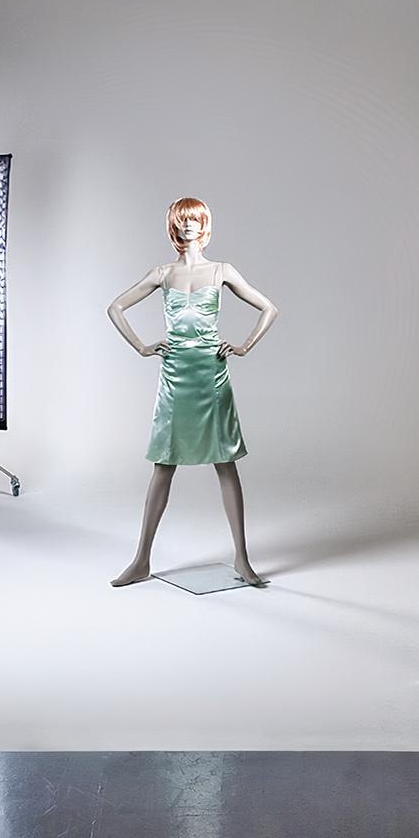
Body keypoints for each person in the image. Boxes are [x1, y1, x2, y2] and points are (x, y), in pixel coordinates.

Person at [105, 197, 279, 588]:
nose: (189, 227)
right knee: (164, 464)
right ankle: (141, 559)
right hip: (176, 373)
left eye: (196, 220)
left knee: (225, 462)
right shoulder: (162, 273)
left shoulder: (222, 271)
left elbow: (268, 307)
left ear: (205, 225)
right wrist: (143, 346)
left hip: (211, 373)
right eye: (183, 221)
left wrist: (244, 345)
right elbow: (115, 307)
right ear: (174, 226)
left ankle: (242, 558)